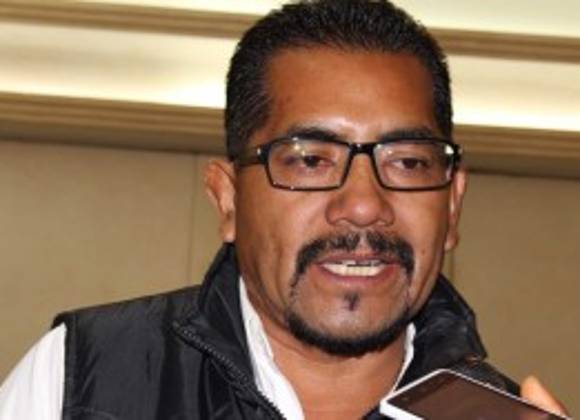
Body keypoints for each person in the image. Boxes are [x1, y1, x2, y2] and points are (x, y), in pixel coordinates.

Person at [0, 1, 567, 419]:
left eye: (408, 162)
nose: (364, 206)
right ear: (228, 199)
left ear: (453, 206)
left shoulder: (496, 417)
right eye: (310, 160)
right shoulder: (84, 377)